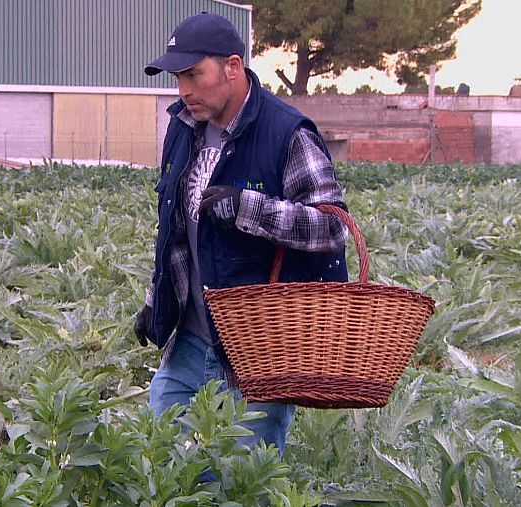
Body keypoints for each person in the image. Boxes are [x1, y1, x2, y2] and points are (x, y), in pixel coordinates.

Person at [133, 12, 350, 454]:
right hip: (190, 339)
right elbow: (175, 231)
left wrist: (249, 207)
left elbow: (332, 227)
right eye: (178, 77)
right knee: (165, 465)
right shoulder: (182, 127)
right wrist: (157, 301)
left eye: (194, 74)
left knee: (242, 484)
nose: (184, 90)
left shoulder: (287, 133)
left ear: (232, 67)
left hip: (258, 350)